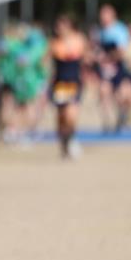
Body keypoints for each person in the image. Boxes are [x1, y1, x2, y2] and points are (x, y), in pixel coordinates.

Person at [49, 15, 89, 159]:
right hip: (60, 84)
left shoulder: (79, 40)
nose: (60, 28)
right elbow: (49, 63)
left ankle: (71, 139)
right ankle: (63, 143)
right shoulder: (54, 44)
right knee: (61, 116)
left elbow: (86, 59)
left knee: (71, 115)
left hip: (74, 83)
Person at [94, 4, 131, 133]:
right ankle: (107, 122)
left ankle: (122, 117)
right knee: (103, 91)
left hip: (119, 68)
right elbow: (96, 50)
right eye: (101, 14)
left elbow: (121, 52)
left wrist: (106, 57)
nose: (103, 17)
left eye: (105, 14)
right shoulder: (100, 31)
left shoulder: (119, 30)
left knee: (124, 96)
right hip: (106, 69)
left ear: (112, 15)